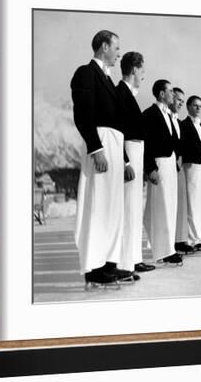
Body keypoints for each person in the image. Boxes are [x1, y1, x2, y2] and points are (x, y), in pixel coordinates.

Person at [70, 30, 130, 286]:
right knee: (97, 207)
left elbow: (118, 122)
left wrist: (124, 159)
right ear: (104, 46)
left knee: (112, 208)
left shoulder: (106, 77)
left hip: (115, 145)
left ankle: (109, 263)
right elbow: (83, 114)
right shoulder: (85, 72)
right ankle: (94, 269)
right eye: (116, 48)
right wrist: (96, 150)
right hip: (102, 144)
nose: (118, 53)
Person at [116, 51, 155, 276]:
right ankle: (124, 262)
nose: (143, 75)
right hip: (129, 154)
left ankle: (134, 258)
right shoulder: (121, 93)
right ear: (133, 70)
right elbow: (117, 131)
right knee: (127, 209)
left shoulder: (129, 94)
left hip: (137, 154)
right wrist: (125, 161)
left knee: (134, 210)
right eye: (142, 71)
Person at [142, 80, 183, 265]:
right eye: (170, 91)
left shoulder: (168, 115)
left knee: (170, 206)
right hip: (159, 165)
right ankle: (162, 251)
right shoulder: (150, 114)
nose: (173, 94)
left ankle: (168, 248)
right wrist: (150, 168)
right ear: (160, 94)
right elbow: (146, 144)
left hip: (170, 164)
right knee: (161, 207)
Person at [179, 95, 201, 251]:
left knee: (200, 203)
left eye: (200, 106)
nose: (198, 108)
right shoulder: (183, 125)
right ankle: (191, 239)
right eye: (195, 105)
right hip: (190, 166)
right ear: (188, 107)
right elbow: (184, 146)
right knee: (191, 203)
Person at [169, 88, 194, 255]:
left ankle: (180, 240)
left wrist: (182, 156)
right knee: (170, 205)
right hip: (168, 164)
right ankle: (170, 242)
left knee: (180, 204)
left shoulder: (178, 121)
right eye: (178, 99)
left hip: (179, 166)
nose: (180, 104)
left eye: (182, 102)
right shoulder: (166, 118)